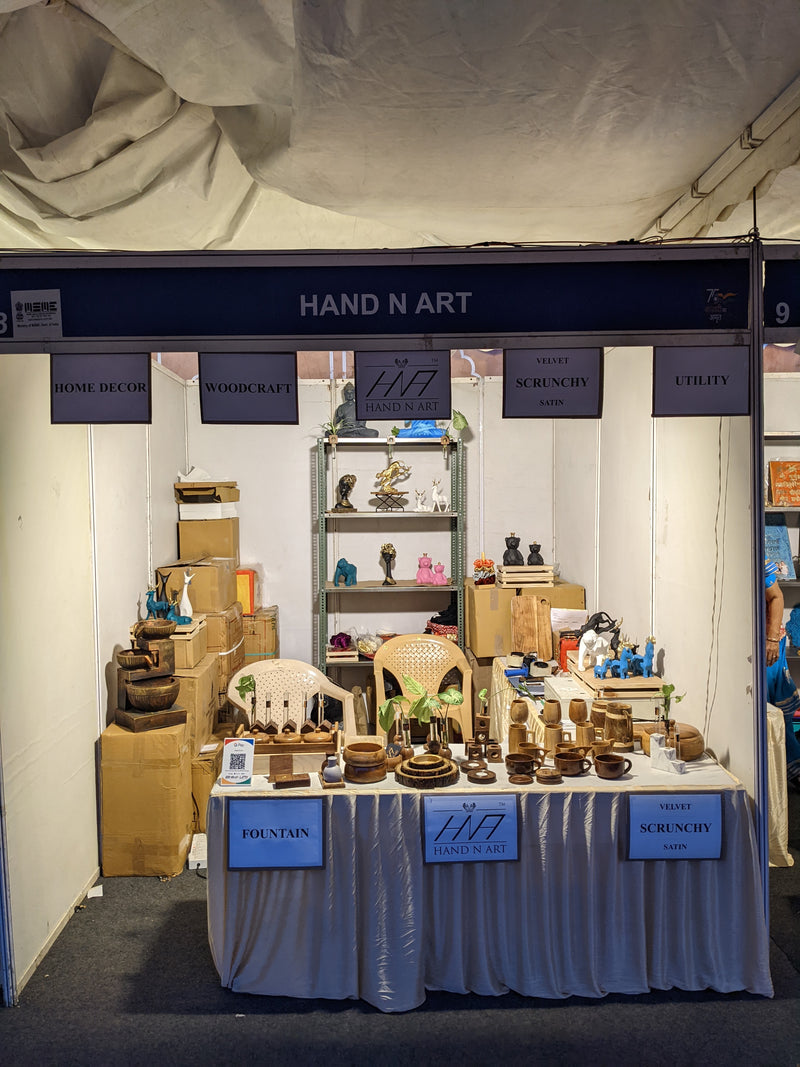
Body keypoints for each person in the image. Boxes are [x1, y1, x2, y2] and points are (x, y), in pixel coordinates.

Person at [765, 559, 800, 792]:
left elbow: (776, 596)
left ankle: (791, 771)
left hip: (766, 647)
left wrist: (771, 639)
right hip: (741, 647)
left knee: (775, 714)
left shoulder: (756, 560)